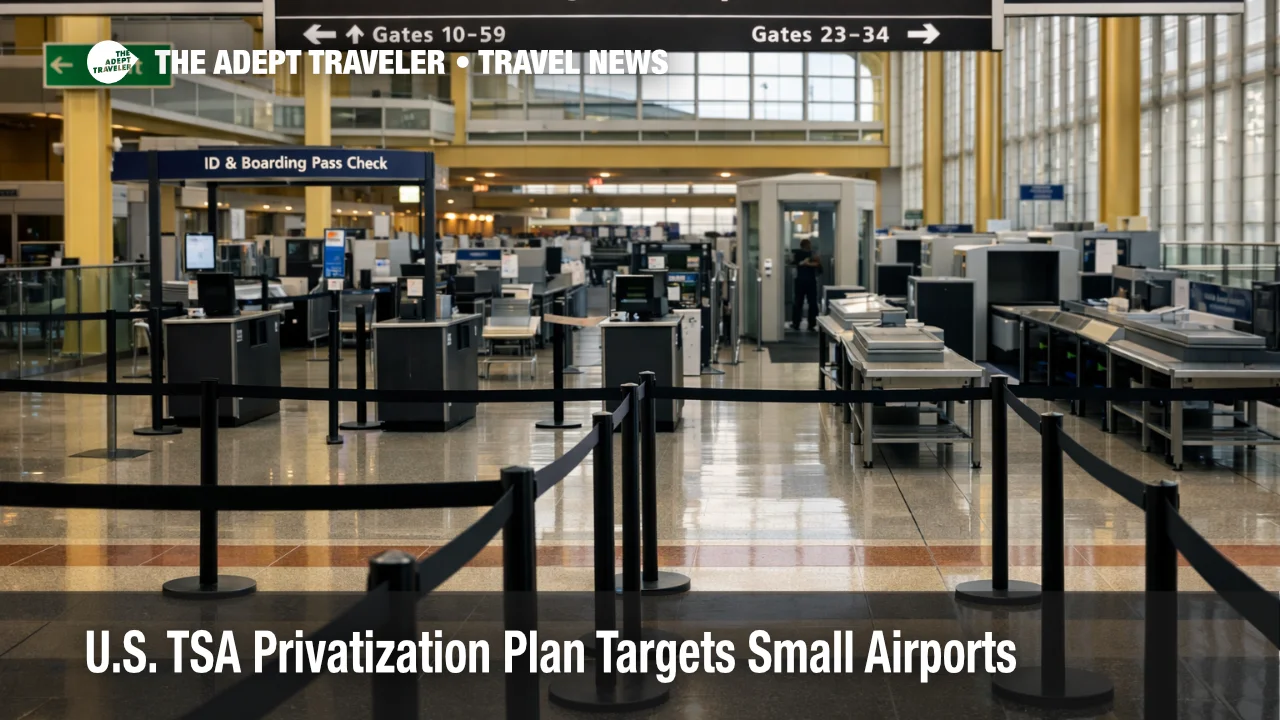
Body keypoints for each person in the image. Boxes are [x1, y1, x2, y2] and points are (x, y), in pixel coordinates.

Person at [791, 239, 822, 331]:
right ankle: (812, 324)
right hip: (810, 281)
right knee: (812, 302)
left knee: (798, 302)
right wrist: (809, 263)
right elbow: (819, 268)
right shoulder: (813, 255)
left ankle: (796, 323)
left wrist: (805, 263)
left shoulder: (798, 255)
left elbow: (795, 263)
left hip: (800, 280)